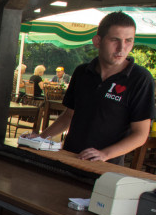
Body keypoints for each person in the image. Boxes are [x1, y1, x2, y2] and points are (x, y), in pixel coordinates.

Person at [32, 11, 155, 164]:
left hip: (107, 166)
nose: (121, 48)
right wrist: (40, 138)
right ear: (98, 41)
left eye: (128, 40)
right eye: (114, 40)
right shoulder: (82, 72)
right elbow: (69, 115)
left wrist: (104, 154)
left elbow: (140, 134)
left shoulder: (140, 79)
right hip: (70, 157)